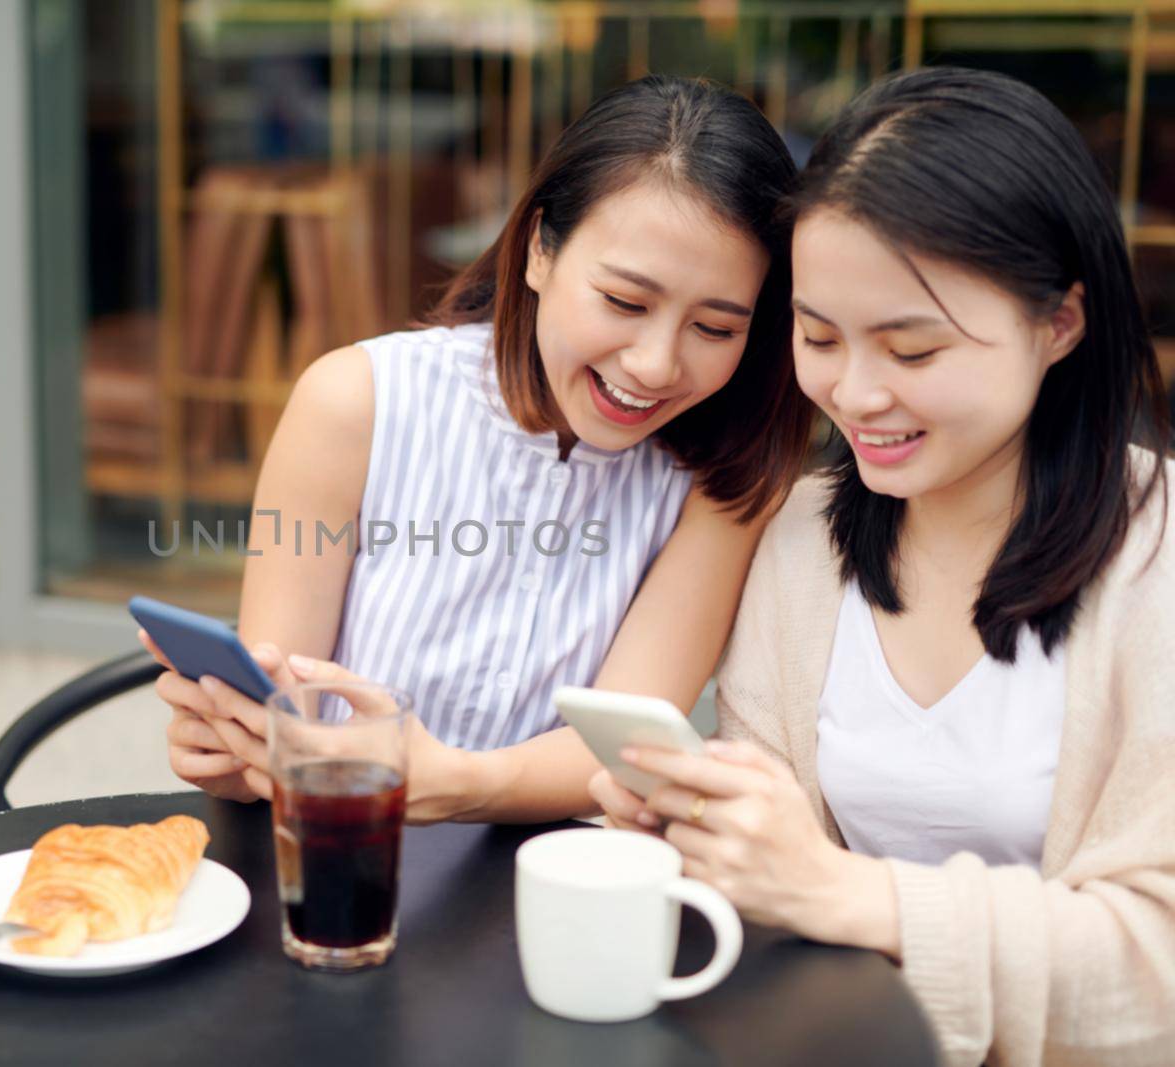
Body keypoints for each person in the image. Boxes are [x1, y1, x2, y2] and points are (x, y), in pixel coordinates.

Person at [591, 67, 1175, 1064]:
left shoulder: (1154, 556)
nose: (853, 393)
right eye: (817, 336)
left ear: (1059, 323)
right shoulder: (803, 538)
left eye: (910, 350)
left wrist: (842, 888)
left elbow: (1154, 964)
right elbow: (769, 888)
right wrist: (691, 833)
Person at [146, 75, 812, 823]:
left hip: (544, 896)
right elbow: (275, 720)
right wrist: (231, 751)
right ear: (537, 251)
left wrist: (451, 779)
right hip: (340, 864)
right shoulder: (354, 404)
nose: (657, 364)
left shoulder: (721, 478)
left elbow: (624, 745)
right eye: (625, 302)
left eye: (716, 328)